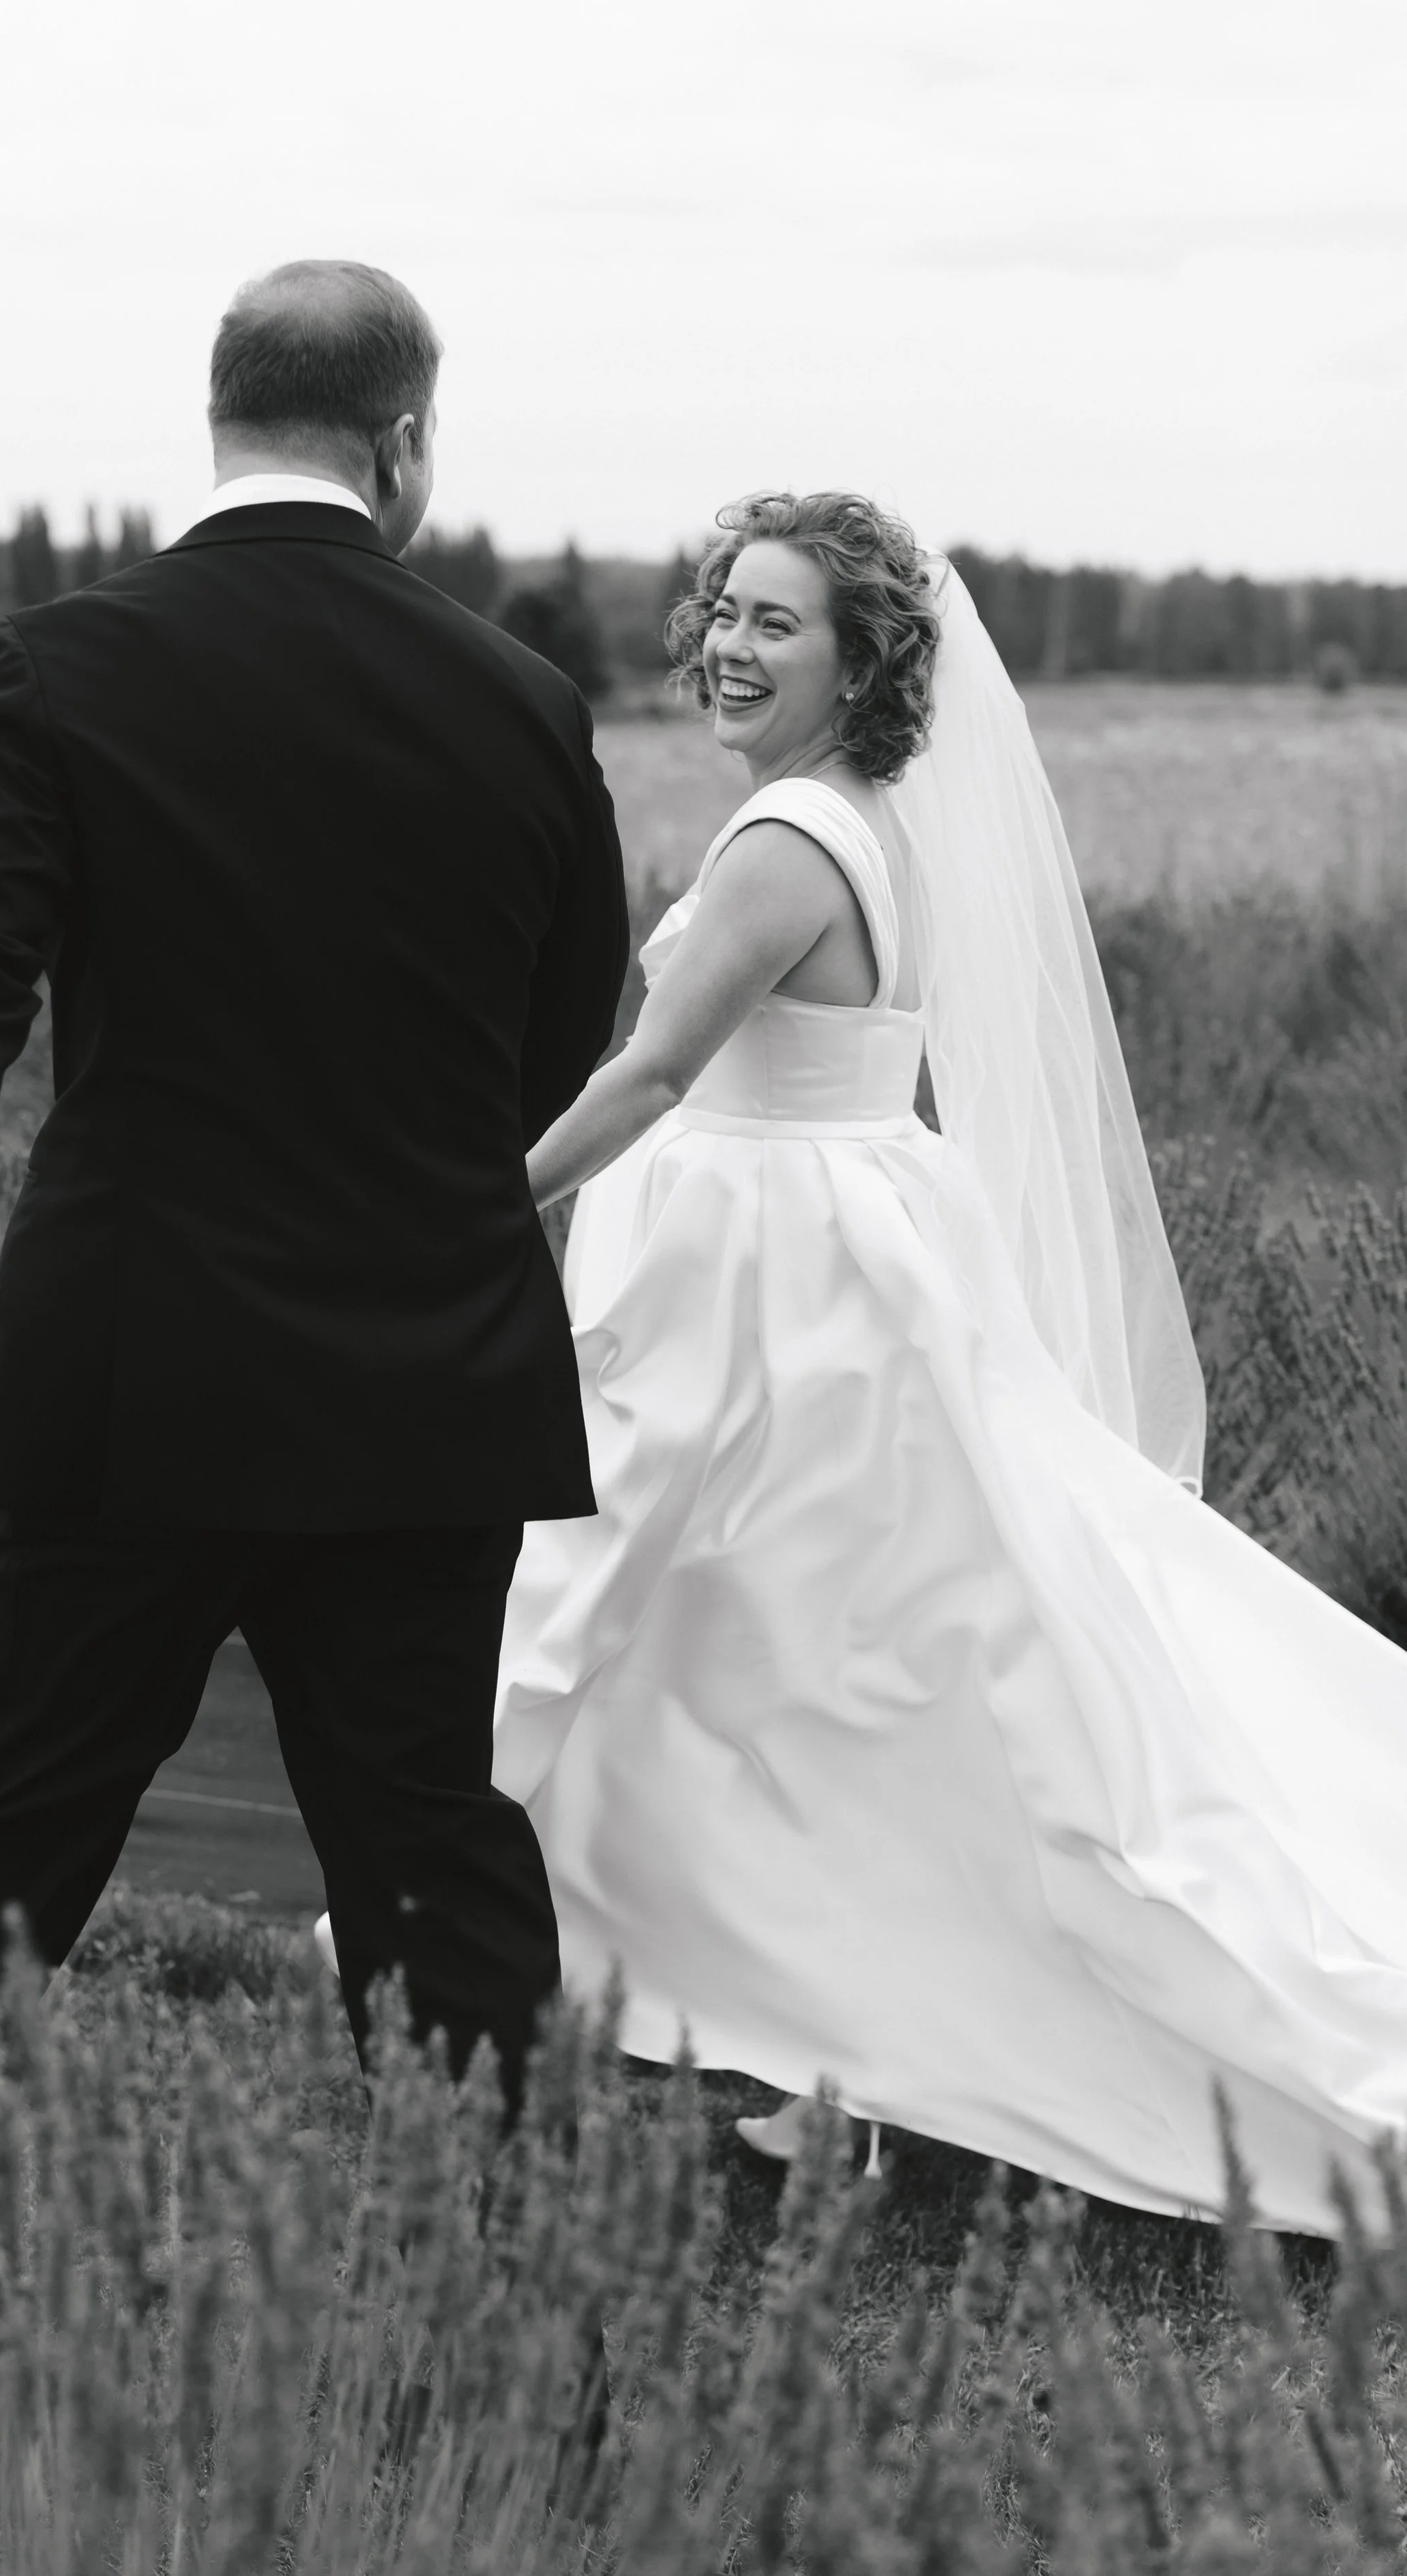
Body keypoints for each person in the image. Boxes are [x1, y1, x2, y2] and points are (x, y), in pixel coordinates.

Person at [0, 260, 629, 2136]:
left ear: (219, 415)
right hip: (424, 1377)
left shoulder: (56, 665)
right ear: (402, 441)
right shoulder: (521, 701)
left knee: (4, 1834)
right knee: (429, 1854)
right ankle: (512, 2288)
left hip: (132, 1374)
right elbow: (563, 1039)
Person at [492, 488, 1407, 2236]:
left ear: (862, 663)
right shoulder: (864, 822)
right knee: (822, 1662)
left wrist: (464, 1215)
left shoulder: (781, 838)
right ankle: (792, 2036)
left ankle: (804, 2034)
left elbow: (649, 1076)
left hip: (776, 1292)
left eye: (776, 623)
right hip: (829, 1251)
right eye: (721, 614)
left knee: (802, 1661)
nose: (729, 647)